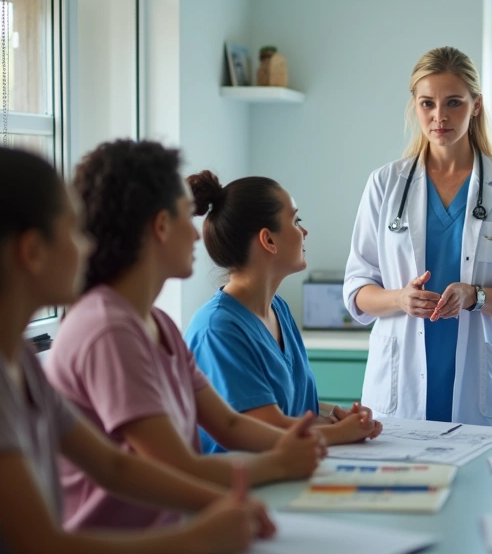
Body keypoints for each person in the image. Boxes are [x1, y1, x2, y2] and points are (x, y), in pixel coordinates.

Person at [0, 145, 272, 554]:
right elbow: (41, 543)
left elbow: (113, 465)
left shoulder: (16, 358)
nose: (88, 246)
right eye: (74, 231)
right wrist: (198, 538)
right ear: (32, 252)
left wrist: (226, 503)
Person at [46, 140, 325, 530]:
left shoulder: (157, 323)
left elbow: (228, 424)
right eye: (184, 218)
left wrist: (296, 445)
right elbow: (177, 466)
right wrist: (279, 461)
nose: (198, 238)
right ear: (160, 226)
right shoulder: (107, 329)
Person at [343, 46, 492, 426]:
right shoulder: (385, 185)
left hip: (480, 387)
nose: (440, 116)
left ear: (476, 105)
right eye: (427, 104)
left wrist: (476, 296)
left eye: (454, 102)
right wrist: (400, 298)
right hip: (399, 389)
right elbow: (357, 289)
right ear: (415, 107)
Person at [184, 170, 382, 453]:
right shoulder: (217, 328)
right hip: (242, 484)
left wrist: (334, 415)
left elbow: (293, 409)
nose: (304, 232)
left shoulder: (278, 309)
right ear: (269, 241)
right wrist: (339, 432)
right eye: (295, 220)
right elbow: (264, 427)